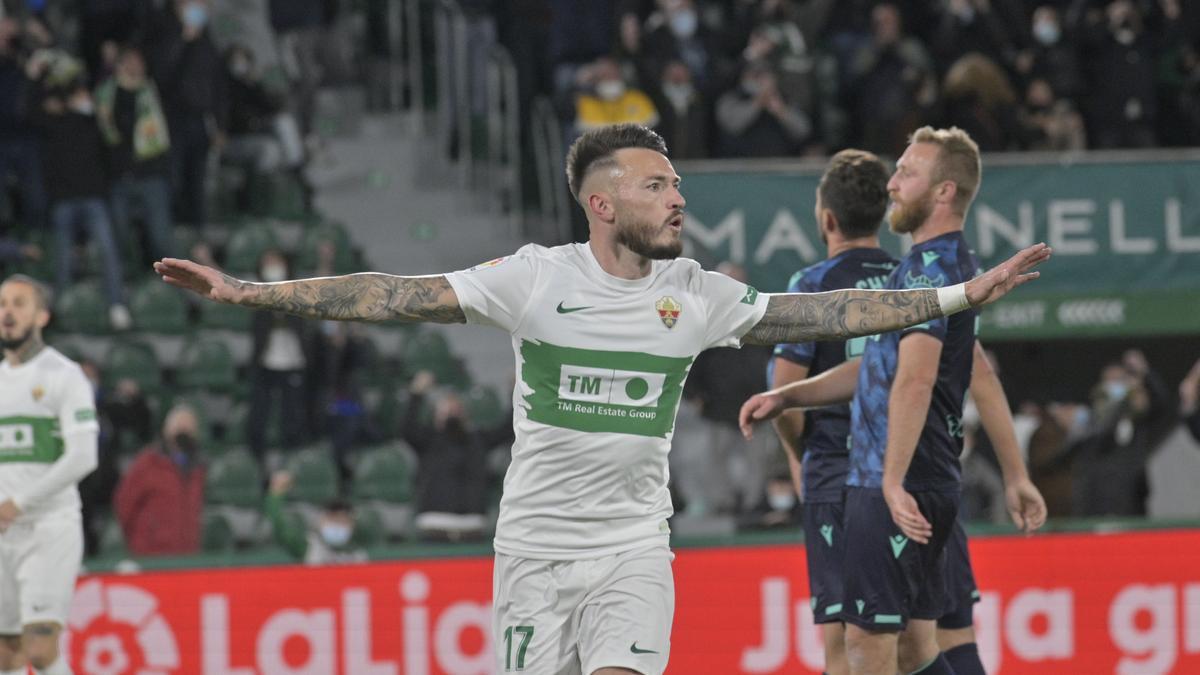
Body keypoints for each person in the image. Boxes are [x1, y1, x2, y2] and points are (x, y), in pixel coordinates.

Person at [154, 123, 1049, 675]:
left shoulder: (692, 291)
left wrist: (954, 298)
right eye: (656, 185)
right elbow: (392, 291)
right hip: (534, 555)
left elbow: (820, 310)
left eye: (676, 184)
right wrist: (248, 294)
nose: (677, 198)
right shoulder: (535, 279)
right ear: (600, 200)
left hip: (631, 548)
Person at [740, 127, 1048, 675]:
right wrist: (788, 396)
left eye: (907, 171)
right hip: (917, 475)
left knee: (861, 649)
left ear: (944, 191)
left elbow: (913, 381)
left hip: (887, 478)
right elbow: (889, 369)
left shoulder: (927, 270)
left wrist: (888, 478)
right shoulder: (924, 269)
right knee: (923, 645)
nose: (894, 183)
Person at [767, 148, 896, 675]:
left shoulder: (812, 285)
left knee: (846, 645)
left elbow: (783, 393)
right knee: (918, 638)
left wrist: (802, 463)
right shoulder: (915, 280)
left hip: (839, 474)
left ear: (826, 219)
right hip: (911, 472)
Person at [0, 274, 100, 675]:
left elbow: (83, 457)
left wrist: (18, 503)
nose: (8, 311)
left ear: (42, 315)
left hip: (49, 528)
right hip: (4, 533)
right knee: (7, 655)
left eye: (19, 303)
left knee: (40, 650)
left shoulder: (64, 374)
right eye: (3, 303)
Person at [111, 404, 206, 556]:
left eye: (188, 427)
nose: (183, 431)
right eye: (179, 425)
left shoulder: (199, 469)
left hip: (188, 558)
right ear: (166, 429)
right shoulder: (147, 463)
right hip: (152, 558)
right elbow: (124, 504)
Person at [264, 470, 367, 565]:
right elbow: (280, 524)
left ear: (352, 525)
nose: (337, 525)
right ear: (320, 521)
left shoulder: (360, 552)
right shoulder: (309, 547)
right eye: (332, 519)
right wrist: (276, 494)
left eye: (343, 521)